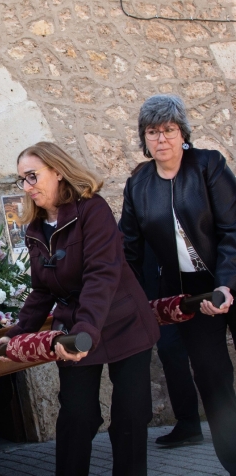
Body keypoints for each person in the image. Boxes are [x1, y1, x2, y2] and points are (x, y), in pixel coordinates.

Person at [0, 142, 160, 476]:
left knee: (130, 414)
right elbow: (41, 291)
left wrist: (86, 329)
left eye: (32, 176)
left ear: (57, 171)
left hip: (122, 321)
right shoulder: (36, 229)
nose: (27, 187)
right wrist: (17, 335)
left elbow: (101, 275)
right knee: (77, 415)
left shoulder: (92, 210)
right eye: (22, 180)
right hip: (78, 332)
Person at [120, 94, 236, 473]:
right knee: (213, 382)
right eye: (152, 132)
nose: (161, 139)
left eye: (169, 129)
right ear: (144, 138)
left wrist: (226, 284)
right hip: (192, 297)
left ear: (183, 133)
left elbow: (232, 230)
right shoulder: (138, 185)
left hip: (231, 277)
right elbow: (128, 252)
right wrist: (127, 302)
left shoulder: (208, 165)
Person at [142, 240, 203, 446]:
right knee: (169, 351)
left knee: (206, 356)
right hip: (160, 297)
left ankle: (224, 418)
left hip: (194, 289)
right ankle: (189, 423)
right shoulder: (136, 212)